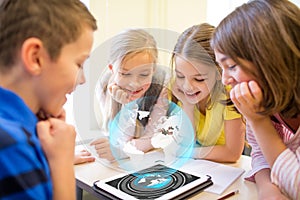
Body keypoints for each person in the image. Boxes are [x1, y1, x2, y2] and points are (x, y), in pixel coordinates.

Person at [0, 0, 97, 199]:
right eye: (79, 64)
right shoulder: (12, 145)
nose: (83, 79)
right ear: (35, 57)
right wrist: (61, 161)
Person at [211, 0, 299, 199]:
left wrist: (258, 120)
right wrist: (268, 187)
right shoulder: (262, 100)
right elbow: (259, 153)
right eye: (221, 67)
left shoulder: (256, 110)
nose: (225, 79)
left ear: (270, 59)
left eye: (232, 66)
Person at [170, 23, 245, 162]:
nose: (187, 86)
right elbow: (185, 143)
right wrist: (187, 105)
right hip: (200, 165)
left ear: (219, 72)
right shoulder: (176, 89)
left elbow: (232, 153)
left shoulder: (229, 94)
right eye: (180, 76)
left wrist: (189, 153)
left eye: (198, 79)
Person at [91, 28, 168, 161]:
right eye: (125, 74)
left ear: (153, 69)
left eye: (144, 74)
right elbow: (114, 134)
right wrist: (127, 107)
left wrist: (122, 150)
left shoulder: (163, 86)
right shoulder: (104, 85)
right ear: (112, 68)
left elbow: (151, 138)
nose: (134, 84)